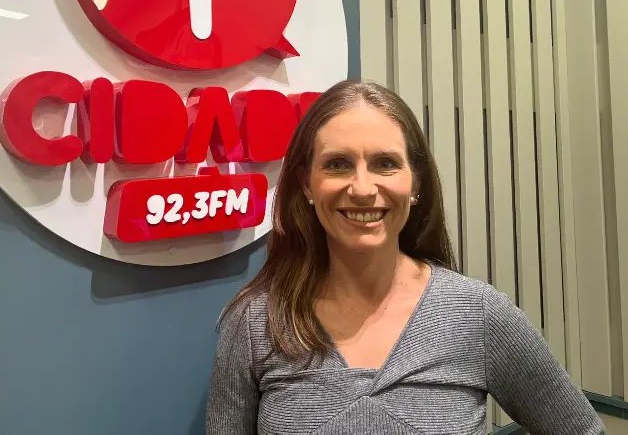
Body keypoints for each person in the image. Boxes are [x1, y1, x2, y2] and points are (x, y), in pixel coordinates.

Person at [205, 80, 603, 434]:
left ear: (415, 184)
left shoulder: (477, 314)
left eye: (386, 164)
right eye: (338, 165)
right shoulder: (255, 323)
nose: (363, 189)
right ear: (307, 184)